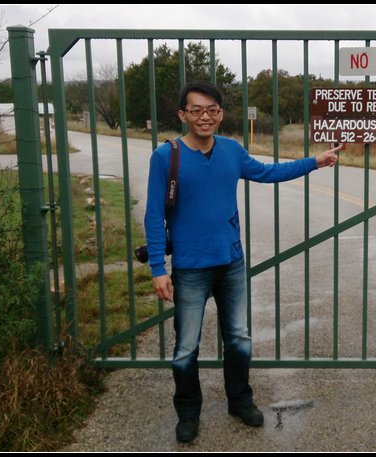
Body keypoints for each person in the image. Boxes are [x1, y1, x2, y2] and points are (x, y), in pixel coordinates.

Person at [144, 81, 341, 443]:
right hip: (189, 267)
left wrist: (315, 161)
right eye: (197, 110)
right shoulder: (165, 156)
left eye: (212, 110)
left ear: (220, 114)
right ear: (183, 114)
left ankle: (240, 401)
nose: (205, 117)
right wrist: (158, 268)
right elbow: (154, 216)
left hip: (231, 263)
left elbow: (268, 173)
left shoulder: (232, 151)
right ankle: (188, 413)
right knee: (186, 346)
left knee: (238, 337)